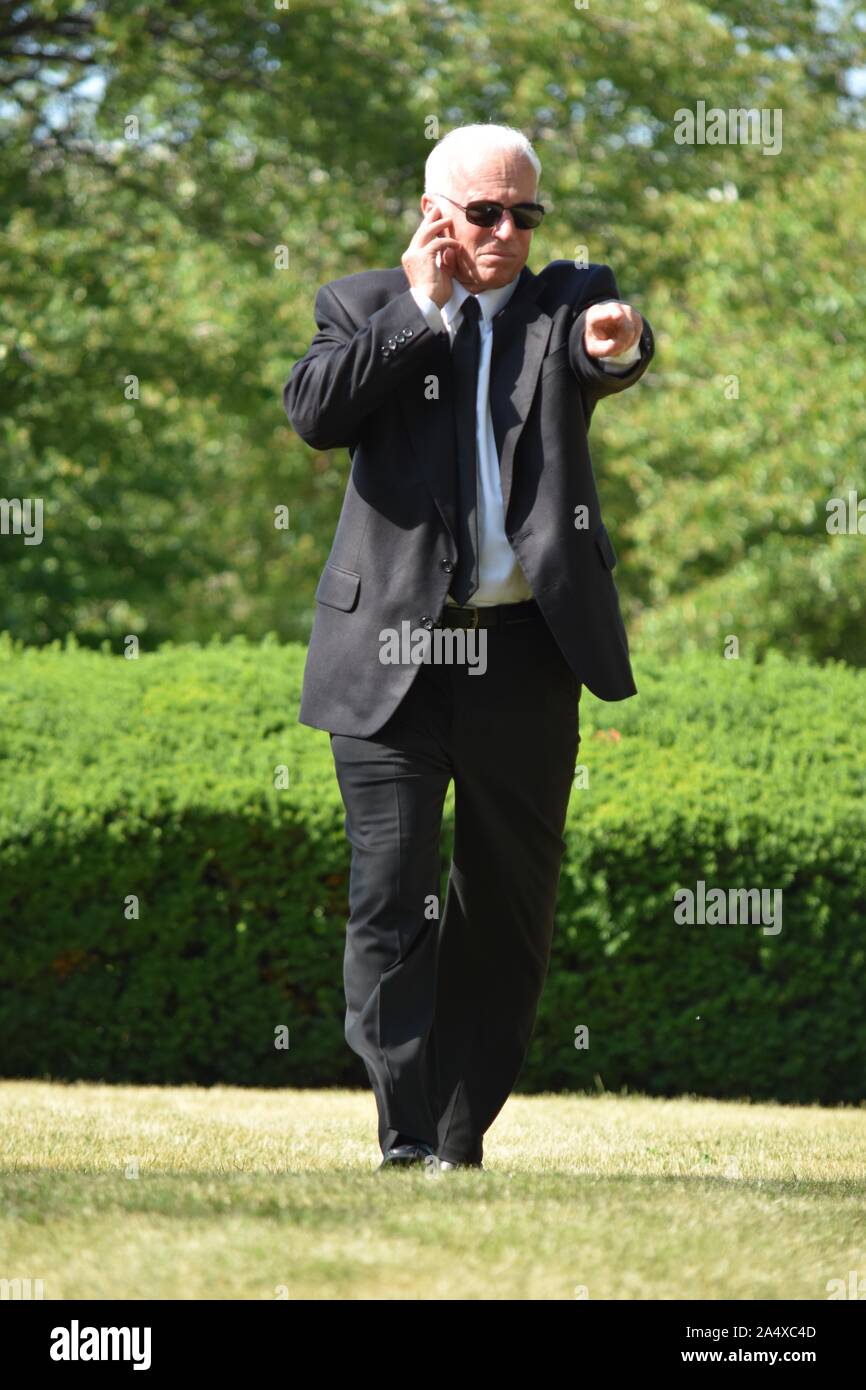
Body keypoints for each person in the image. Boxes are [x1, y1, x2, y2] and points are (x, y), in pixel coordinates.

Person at [284, 123, 654, 1171]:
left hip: (523, 659)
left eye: (523, 215)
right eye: (484, 213)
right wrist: (420, 310)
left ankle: (457, 1136)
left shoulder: (562, 302)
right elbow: (315, 413)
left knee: (505, 908)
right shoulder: (361, 304)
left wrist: (615, 343)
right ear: (433, 211)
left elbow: (617, 346)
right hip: (390, 656)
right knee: (388, 901)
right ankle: (403, 1134)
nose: (505, 233)